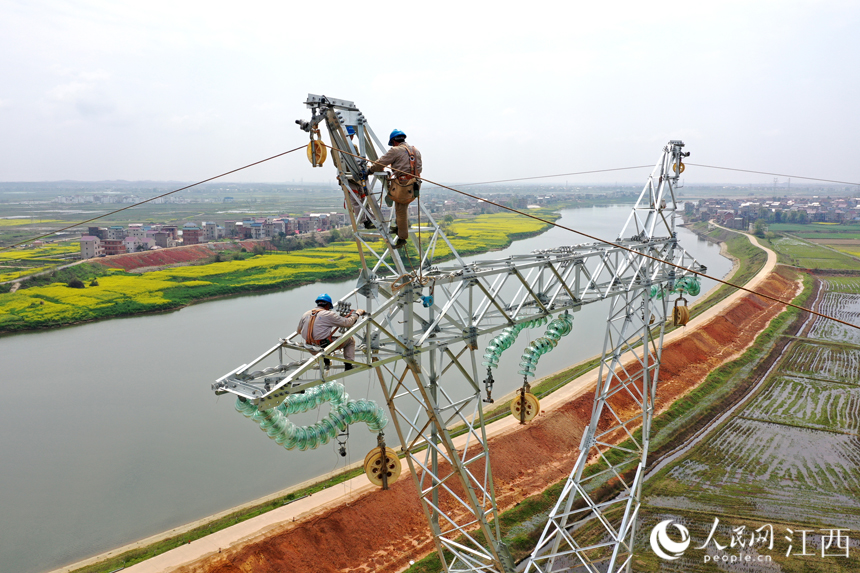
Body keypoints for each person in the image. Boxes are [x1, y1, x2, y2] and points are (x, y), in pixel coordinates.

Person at [368, 129, 422, 249]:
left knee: (400, 210)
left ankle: (402, 238)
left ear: (394, 141)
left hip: (403, 184)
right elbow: (419, 168)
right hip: (414, 185)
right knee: (403, 207)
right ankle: (399, 227)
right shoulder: (416, 151)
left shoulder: (395, 150)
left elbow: (380, 163)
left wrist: (370, 170)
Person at [296, 294, 366, 370]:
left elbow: (299, 331)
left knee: (323, 339)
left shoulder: (306, 313)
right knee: (350, 340)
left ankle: (326, 360)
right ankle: (348, 365)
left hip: (309, 347)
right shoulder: (328, 314)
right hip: (323, 347)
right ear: (328, 305)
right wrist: (357, 314)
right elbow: (347, 323)